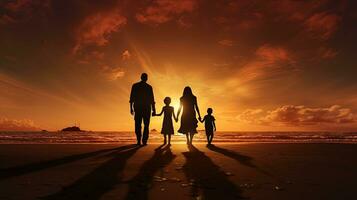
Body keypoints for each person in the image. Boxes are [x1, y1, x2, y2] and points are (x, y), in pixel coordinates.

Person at [129, 73, 156, 145]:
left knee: (139, 125)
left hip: (140, 108)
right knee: (144, 125)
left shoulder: (136, 86)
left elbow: (132, 98)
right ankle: (143, 141)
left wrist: (131, 108)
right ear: (146, 78)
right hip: (144, 108)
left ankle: (140, 140)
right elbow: (152, 99)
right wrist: (154, 109)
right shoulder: (148, 87)